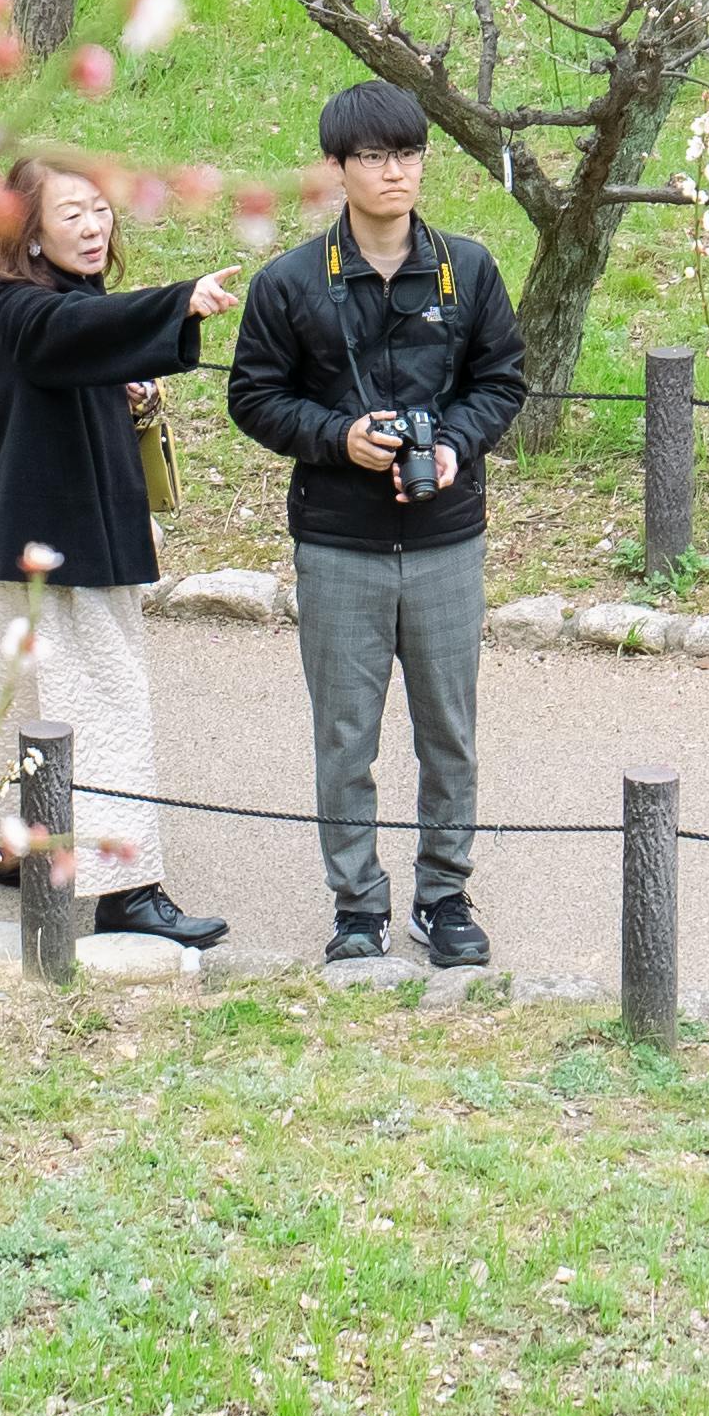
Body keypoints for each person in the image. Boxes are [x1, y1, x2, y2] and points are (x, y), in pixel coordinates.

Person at [227, 80, 528, 967]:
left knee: (449, 730)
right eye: (375, 157)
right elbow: (253, 394)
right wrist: (337, 439)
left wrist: (454, 449)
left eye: (409, 153)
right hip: (338, 540)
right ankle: (357, 905)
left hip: (447, 537)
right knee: (345, 735)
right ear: (337, 170)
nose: (396, 171)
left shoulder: (468, 269)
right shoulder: (289, 283)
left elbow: (501, 381)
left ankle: (445, 894)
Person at [0, 157, 246, 951]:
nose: (94, 229)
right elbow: (71, 338)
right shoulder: (24, 308)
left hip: (47, 534)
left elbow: (86, 356)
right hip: (61, 542)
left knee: (21, 689)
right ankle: (128, 888)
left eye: (100, 211)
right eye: (72, 216)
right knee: (108, 700)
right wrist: (177, 302)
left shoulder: (65, 303)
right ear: (29, 232)